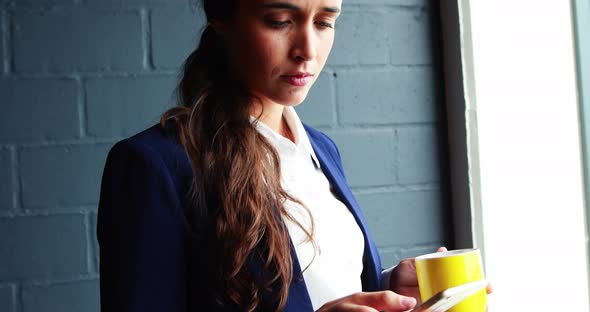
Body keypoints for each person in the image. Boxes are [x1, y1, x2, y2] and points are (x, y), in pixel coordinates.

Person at [97, 0, 490, 311]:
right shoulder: (153, 165)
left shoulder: (321, 150)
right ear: (221, 17)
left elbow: (309, 294)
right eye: (280, 20)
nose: (307, 51)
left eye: (324, 23)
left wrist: (387, 289)